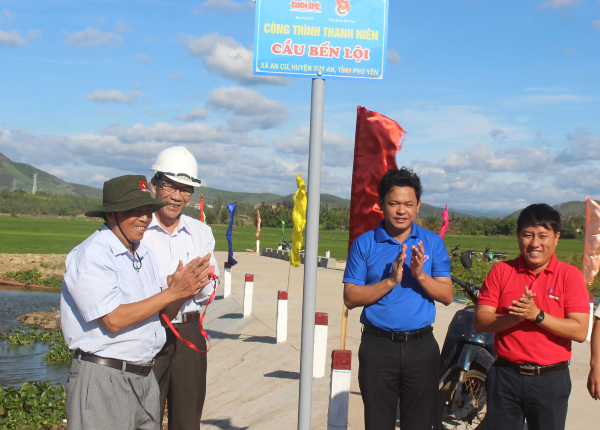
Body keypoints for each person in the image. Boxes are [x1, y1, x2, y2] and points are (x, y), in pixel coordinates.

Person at [61, 174, 215, 430]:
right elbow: (113, 319)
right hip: (104, 377)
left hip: (143, 377)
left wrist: (187, 287)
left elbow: (161, 313)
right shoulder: (93, 254)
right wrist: (173, 292)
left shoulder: (142, 253)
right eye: (135, 211)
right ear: (111, 215)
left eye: (147, 210)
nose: (145, 218)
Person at [343, 168, 453, 430]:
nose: (401, 211)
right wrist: (390, 281)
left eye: (408, 204)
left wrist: (420, 276)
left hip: (421, 347)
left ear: (418, 207)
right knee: (378, 423)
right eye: (394, 203)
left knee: (419, 423)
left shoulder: (432, 243)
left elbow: (448, 295)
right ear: (381, 204)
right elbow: (350, 297)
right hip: (378, 347)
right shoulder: (364, 244)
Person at [474, 204, 590, 430]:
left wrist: (537, 315)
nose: (535, 243)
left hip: (550, 379)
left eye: (543, 236)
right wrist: (517, 317)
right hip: (505, 375)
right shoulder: (501, 271)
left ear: (556, 238)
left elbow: (579, 331)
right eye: (528, 235)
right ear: (518, 236)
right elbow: (481, 322)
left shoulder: (570, 275)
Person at [141, 146, 219, 430]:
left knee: (187, 420)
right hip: (149, 328)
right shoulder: (139, 229)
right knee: (144, 416)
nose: (177, 196)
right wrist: (179, 285)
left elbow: (208, 287)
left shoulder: (201, 233)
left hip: (188, 330)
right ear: (154, 185)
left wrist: (182, 287)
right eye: (170, 186)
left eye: (185, 189)